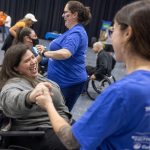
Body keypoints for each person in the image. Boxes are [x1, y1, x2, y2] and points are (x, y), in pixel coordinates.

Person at [35, 0, 150, 149]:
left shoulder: (121, 93)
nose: (110, 37)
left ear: (127, 33)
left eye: (112, 30)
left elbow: (72, 141)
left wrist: (48, 104)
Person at [0, 44, 72, 150]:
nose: (33, 61)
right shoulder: (12, 84)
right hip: (39, 131)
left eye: (33, 57)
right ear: (16, 68)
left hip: (59, 123)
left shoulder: (35, 76)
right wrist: (30, 97)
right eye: (27, 61)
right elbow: (11, 100)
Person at [38, 1, 91, 111]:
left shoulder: (76, 33)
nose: (63, 15)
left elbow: (65, 53)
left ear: (74, 14)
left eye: (65, 12)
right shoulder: (73, 31)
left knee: (59, 115)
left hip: (68, 83)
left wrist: (45, 53)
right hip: (63, 81)